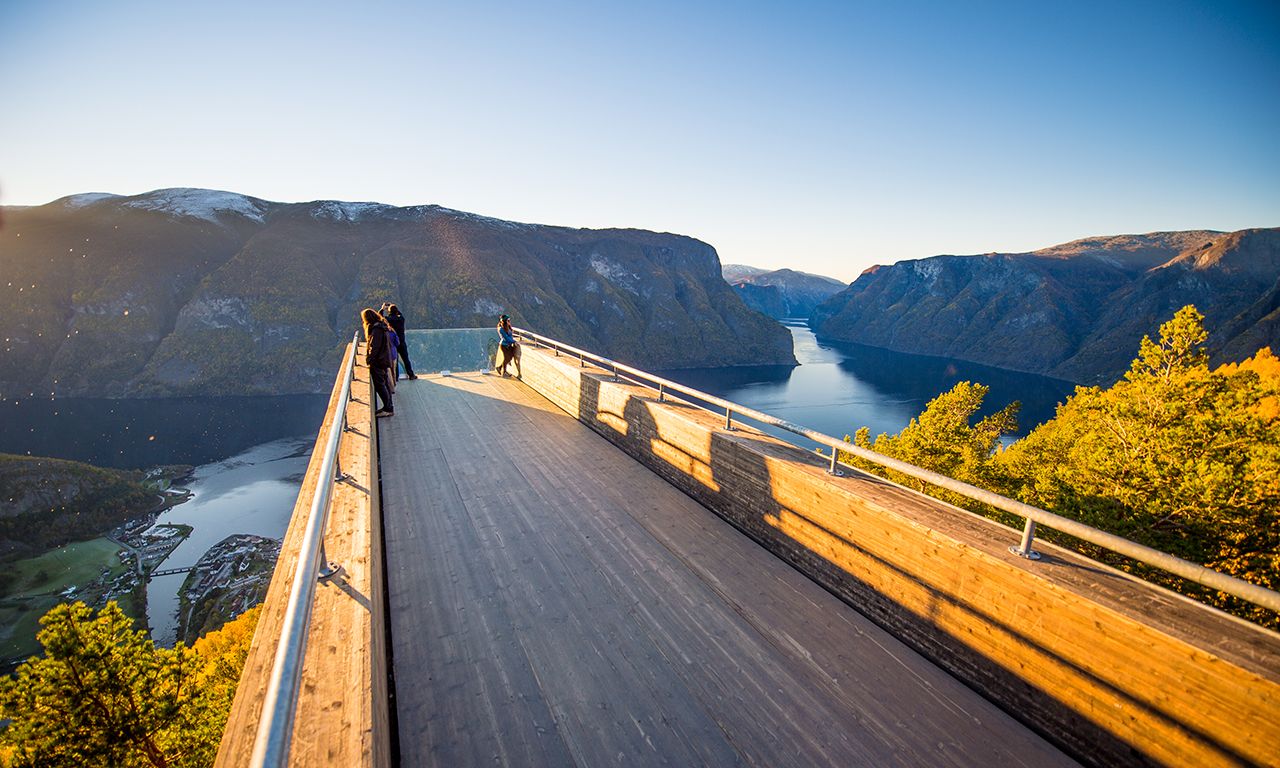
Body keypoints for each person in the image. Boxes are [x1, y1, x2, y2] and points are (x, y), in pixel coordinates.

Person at [362, 308, 394, 417]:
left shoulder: (376, 330)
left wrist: (369, 359)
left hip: (378, 361)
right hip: (384, 359)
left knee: (380, 385)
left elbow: (374, 347)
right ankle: (388, 406)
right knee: (385, 384)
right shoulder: (382, 327)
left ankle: (388, 408)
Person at [383, 303, 416, 380]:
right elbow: (400, 314)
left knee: (395, 360)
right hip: (401, 341)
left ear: (389, 312)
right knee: (405, 359)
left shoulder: (388, 319)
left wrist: (383, 309)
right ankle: (411, 374)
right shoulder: (401, 319)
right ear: (397, 311)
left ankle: (396, 377)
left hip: (393, 342)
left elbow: (379, 316)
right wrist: (394, 308)